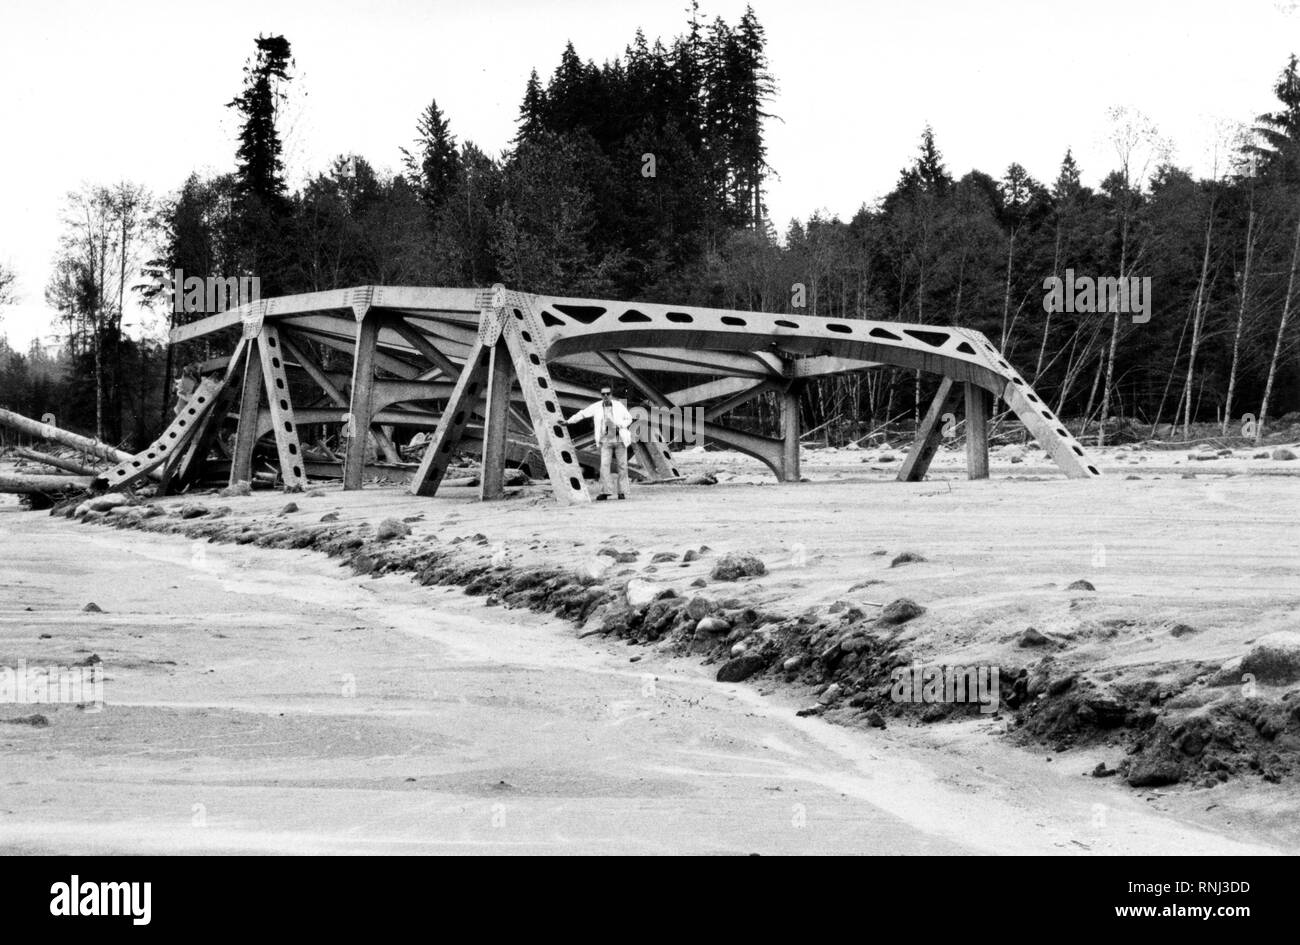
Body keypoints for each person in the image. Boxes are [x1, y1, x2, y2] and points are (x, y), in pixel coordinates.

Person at [564, 386, 632, 500]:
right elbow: (583, 413)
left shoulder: (619, 405)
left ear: (611, 394)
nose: (605, 396)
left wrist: (621, 425)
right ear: (601, 395)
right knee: (604, 466)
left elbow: (629, 418)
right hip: (605, 439)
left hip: (620, 438)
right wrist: (568, 421)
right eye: (603, 394)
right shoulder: (597, 406)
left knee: (622, 465)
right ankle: (606, 492)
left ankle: (622, 491)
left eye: (608, 394)